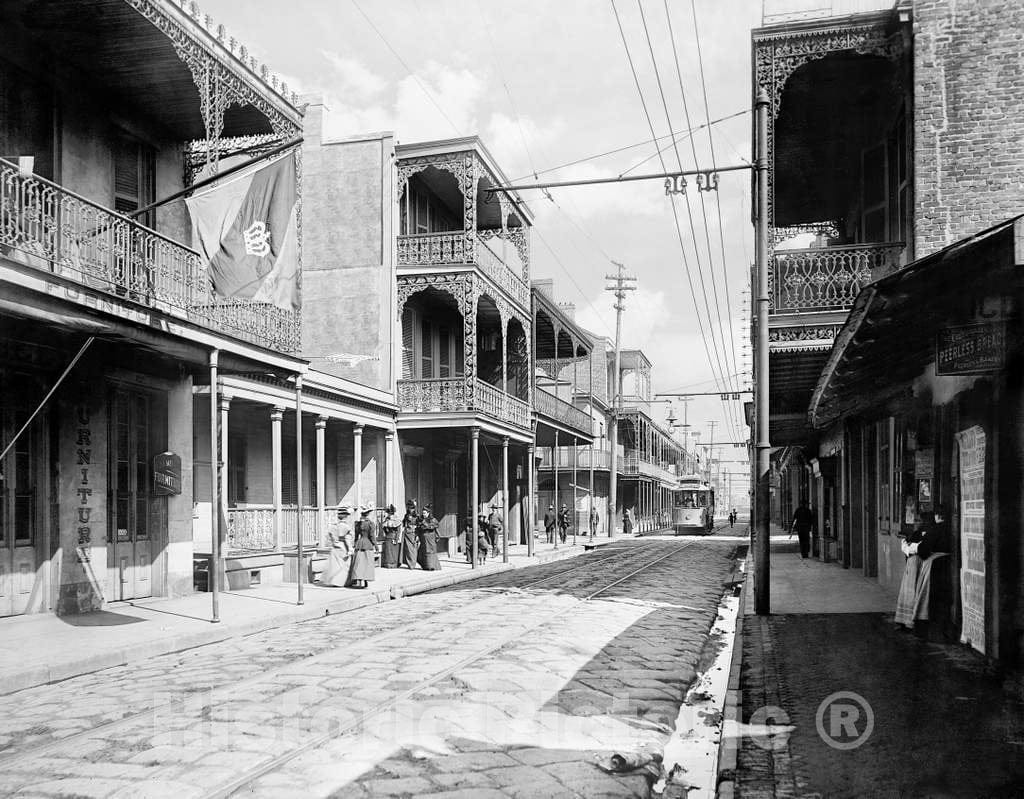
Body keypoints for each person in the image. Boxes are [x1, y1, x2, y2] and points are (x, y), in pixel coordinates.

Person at [895, 506, 949, 630]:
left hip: (924, 565)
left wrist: (909, 547)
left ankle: (914, 620)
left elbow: (923, 550)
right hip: (934, 564)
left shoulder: (934, 530)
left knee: (918, 593)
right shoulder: (945, 528)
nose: (918, 523)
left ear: (936, 516)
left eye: (920, 520)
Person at [320, 505, 353, 587]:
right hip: (343, 547)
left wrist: (334, 542)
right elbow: (347, 538)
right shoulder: (346, 527)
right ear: (346, 516)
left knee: (335, 565)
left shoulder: (333, 526)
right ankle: (342, 582)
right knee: (344, 565)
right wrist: (350, 548)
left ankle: (334, 581)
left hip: (335, 547)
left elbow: (328, 536)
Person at [347, 505, 377, 588]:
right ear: (368, 515)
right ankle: (365, 581)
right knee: (367, 563)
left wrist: (354, 544)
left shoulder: (358, 524)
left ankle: (358, 580)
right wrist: (376, 546)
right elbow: (372, 536)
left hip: (360, 544)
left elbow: (356, 536)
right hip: (367, 544)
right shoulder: (371, 524)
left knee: (359, 563)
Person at [416, 504, 442, 571]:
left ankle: (431, 566)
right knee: (422, 553)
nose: (423, 514)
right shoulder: (420, 520)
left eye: (425, 513)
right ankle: (425, 566)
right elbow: (418, 529)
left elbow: (434, 528)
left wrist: (425, 525)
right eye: (423, 513)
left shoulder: (433, 520)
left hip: (430, 538)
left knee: (430, 552)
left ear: (428, 513)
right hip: (423, 538)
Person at [380, 504, 401, 568]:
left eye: (390, 514)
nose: (389, 515)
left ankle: (394, 564)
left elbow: (398, 531)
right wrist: (386, 533)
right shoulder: (387, 519)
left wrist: (396, 539)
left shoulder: (396, 520)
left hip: (394, 537)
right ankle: (388, 564)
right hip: (388, 537)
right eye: (388, 513)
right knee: (388, 552)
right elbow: (383, 527)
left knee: (393, 552)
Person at [400, 500, 418, 569]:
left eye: (412, 508)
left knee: (413, 549)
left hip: (414, 533)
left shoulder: (417, 516)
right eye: (409, 508)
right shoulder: (406, 515)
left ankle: (413, 563)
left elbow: (418, 525)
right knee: (408, 549)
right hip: (407, 533)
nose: (411, 510)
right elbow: (403, 523)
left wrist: (417, 534)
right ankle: (410, 564)